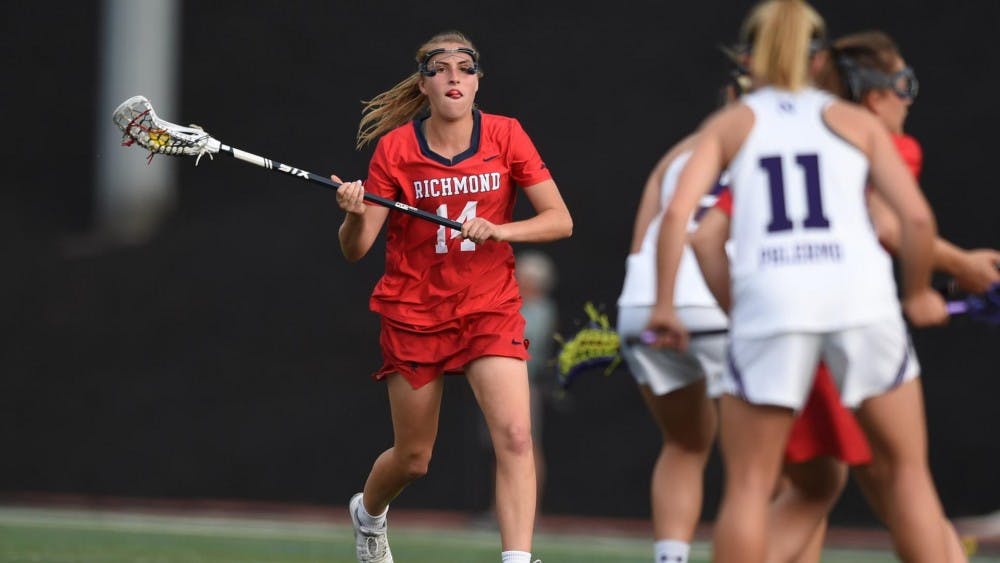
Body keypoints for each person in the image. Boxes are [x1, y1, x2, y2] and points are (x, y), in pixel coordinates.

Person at [647, 2, 951, 562]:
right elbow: (915, 220)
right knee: (908, 473)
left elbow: (687, 226)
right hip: (860, 299)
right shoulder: (853, 120)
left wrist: (671, 305)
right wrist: (918, 292)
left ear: (749, 57)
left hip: (774, 303)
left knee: (748, 487)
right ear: (818, 60)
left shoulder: (732, 124)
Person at [333, 30, 572, 563]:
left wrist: (501, 231)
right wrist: (352, 214)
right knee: (414, 459)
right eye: (440, 68)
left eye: (464, 67)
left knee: (515, 435)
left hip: (489, 305)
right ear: (425, 83)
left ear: (478, 80)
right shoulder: (395, 149)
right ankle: (369, 515)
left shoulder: (507, 135)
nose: (454, 76)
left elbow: (560, 220)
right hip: (414, 310)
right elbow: (357, 248)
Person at [615, 128, 729, 563]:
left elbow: (640, 242)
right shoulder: (776, 135)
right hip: (717, 304)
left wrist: (654, 302)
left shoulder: (678, 151)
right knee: (765, 470)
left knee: (685, 444)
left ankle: (670, 558)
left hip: (642, 304)